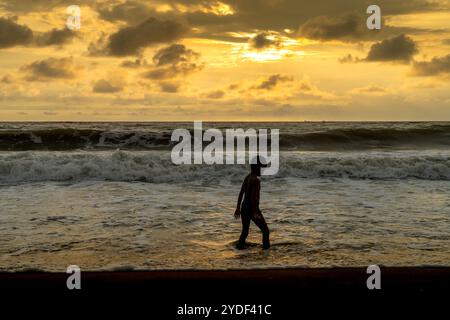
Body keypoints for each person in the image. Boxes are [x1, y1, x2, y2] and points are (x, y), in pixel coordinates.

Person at [234, 156, 270, 249]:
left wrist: (238, 208)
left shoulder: (248, 177)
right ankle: (266, 251)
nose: (263, 171)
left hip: (244, 207)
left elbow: (241, 193)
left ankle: (239, 248)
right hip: (252, 208)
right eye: (262, 168)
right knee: (265, 231)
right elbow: (253, 199)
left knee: (245, 232)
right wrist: (255, 213)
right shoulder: (256, 181)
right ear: (257, 168)